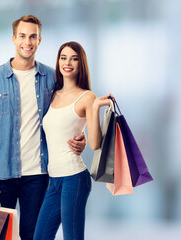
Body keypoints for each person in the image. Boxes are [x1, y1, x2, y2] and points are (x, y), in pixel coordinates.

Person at [0, 15, 86, 240]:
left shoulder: (50, 78)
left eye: (33, 36)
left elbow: (68, 106)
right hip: (1, 174)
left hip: (37, 174)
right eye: (23, 36)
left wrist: (81, 132)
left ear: (40, 40)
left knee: (32, 235)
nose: (28, 41)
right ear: (14, 39)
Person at [33, 41, 113, 240]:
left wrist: (95, 107)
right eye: (63, 57)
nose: (67, 62)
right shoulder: (52, 94)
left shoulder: (87, 97)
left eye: (74, 58)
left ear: (81, 64)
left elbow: (95, 144)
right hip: (54, 181)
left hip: (74, 178)